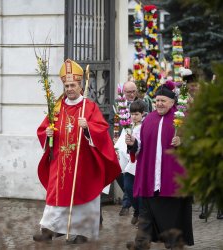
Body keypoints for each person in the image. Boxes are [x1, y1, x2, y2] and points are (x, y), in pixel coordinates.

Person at [33, 59, 121, 244]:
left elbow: (101, 130)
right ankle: (49, 230)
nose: (70, 88)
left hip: (83, 161)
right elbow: (44, 130)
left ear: (80, 85)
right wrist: (48, 133)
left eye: (73, 85)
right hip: (61, 159)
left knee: (84, 196)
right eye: (67, 85)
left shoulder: (89, 107)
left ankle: (83, 232)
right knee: (55, 195)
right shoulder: (57, 107)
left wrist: (87, 126)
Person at [126, 82, 194, 249]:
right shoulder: (148, 119)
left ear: (172, 102)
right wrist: (133, 143)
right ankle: (141, 243)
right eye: (157, 100)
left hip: (170, 178)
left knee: (170, 219)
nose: (160, 104)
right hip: (150, 177)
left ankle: (173, 244)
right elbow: (141, 146)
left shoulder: (180, 120)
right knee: (146, 216)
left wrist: (183, 141)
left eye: (163, 100)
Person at [115, 99, 146, 225]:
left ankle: (141, 213)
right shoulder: (129, 126)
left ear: (143, 114)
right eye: (132, 114)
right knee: (128, 187)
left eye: (136, 114)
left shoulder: (144, 126)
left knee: (139, 190)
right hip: (130, 162)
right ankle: (137, 210)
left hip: (140, 162)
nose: (134, 117)